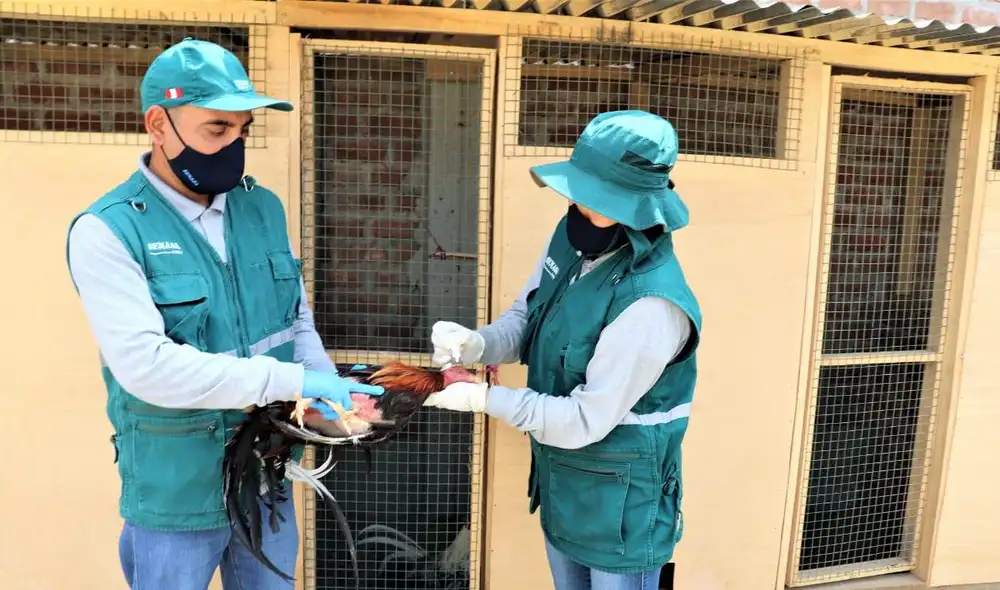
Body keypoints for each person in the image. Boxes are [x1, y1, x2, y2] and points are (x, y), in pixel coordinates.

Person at [65, 39, 384, 590]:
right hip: (176, 488)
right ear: (158, 124)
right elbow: (147, 367)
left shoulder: (262, 207)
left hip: (266, 478)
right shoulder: (108, 230)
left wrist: (322, 390)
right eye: (217, 129)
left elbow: (295, 320)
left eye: (242, 130)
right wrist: (290, 379)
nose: (234, 145)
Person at [424, 110, 701, 590]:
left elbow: (585, 420)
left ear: (636, 207)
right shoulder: (575, 238)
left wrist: (484, 399)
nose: (576, 203)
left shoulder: (651, 303)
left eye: (593, 198)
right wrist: (477, 343)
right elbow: (526, 319)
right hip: (564, 487)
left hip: (622, 513)